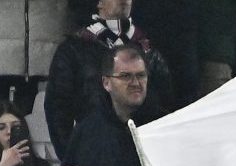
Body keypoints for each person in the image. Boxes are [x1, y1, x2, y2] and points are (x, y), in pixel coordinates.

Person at [44, 0, 173, 150]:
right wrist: (71, 158)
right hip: (94, 149)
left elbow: (166, 103)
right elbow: (58, 110)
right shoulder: (74, 48)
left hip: (144, 147)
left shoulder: (149, 48)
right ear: (99, 2)